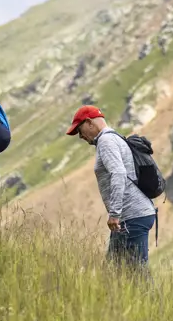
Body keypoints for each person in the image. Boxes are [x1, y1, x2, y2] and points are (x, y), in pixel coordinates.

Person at [66, 105, 156, 274]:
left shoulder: (106, 141)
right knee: (113, 273)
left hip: (132, 216)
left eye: (80, 130)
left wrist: (114, 213)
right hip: (131, 216)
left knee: (137, 274)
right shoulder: (114, 138)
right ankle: (114, 300)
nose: (80, 136)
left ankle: (153, 301)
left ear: (89, 122)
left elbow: (118, 173)